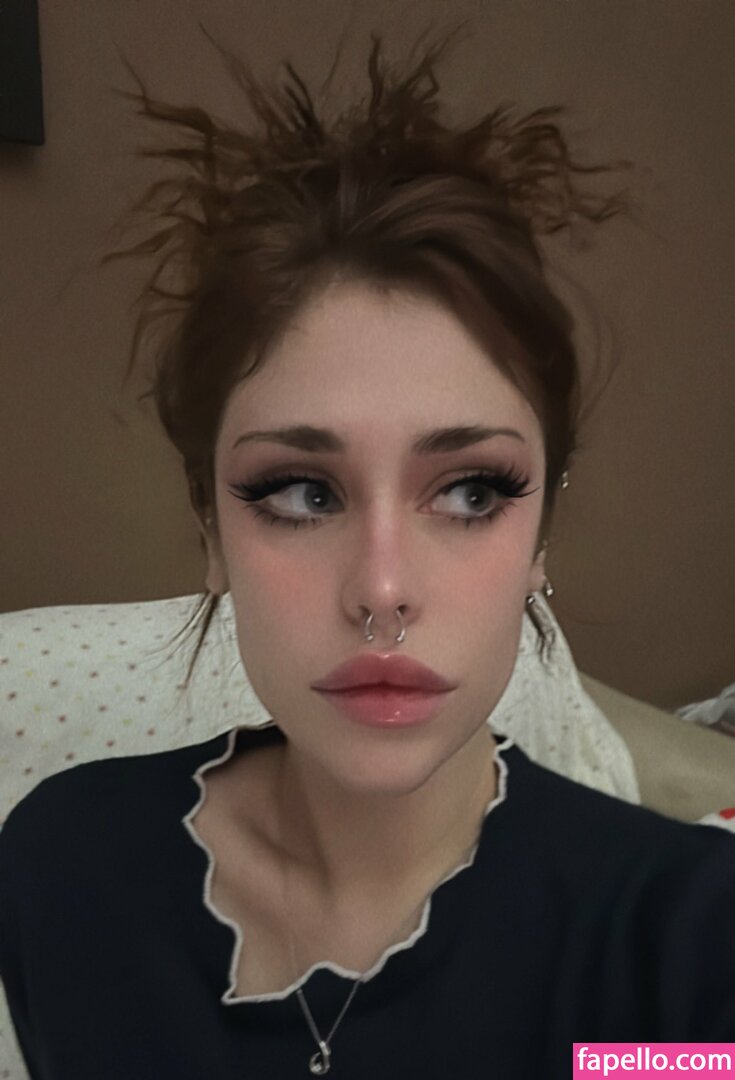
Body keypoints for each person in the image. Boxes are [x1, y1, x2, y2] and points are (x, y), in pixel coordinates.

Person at [1, 28, 734, 1080]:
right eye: (303, 494)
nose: (382, 590)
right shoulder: (58, 867)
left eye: (471, 492)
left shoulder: (686, 945)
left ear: (539, 536)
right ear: (211, 531)